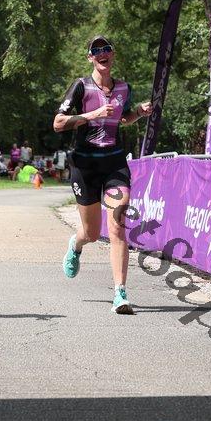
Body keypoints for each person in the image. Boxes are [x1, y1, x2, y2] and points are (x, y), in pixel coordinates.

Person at [53, 35, 152, 314]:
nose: (102, 53)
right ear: (90, 58)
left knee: (118, 225)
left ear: (112, 54)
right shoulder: (81, 86)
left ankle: (120, 293)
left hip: (114, 163)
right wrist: (92, 114)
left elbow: (123, 118)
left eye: (106, 49)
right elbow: (58, 123)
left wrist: (138, 113)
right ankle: (76, 244)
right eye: (96, 50)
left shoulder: (123, 88)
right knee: (92, 233)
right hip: (85, 165)